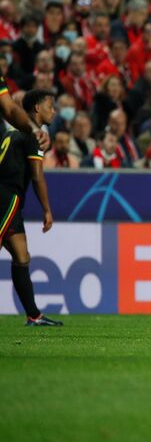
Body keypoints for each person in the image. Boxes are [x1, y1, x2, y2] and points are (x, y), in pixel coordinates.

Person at [0, 90, 58, 326]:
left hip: (8, 196)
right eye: (50, 106)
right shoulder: (34, 134)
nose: (54, 111)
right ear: (37, 108)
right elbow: (37, 176)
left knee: (21, 255)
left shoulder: (12, 130)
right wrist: (47, 209)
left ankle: (34, 315)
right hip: (6, 197)